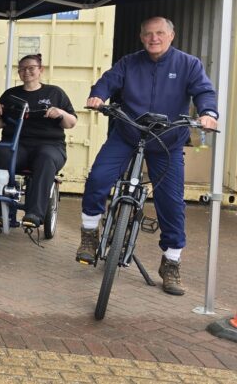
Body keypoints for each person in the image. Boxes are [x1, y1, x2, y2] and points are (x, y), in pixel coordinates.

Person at [78, 17, 217, 296]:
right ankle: (90, 235)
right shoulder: (129, 62)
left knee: (171, 202)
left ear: (171, 35)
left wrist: (208, 113)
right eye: (148, 34)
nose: (154, 38)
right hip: (128, 133)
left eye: (160, 33)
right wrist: (98, 96)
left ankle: (171, 262)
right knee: (98, 178)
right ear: (142, 38)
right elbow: (108, 81)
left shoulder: (188, 64)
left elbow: (203, 91)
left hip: (167, 141)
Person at [0, 54, 77, 229]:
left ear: (40, 70)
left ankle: (34, 213)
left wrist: (59, 113)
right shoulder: (10, 95)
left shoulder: (55, 93)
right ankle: (3, 211)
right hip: (17, 144)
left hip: (50, 145)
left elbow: (71, 123)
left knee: (45, 158)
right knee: (2, 155)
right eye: (22, 69)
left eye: (31, 68)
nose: (26, 72)